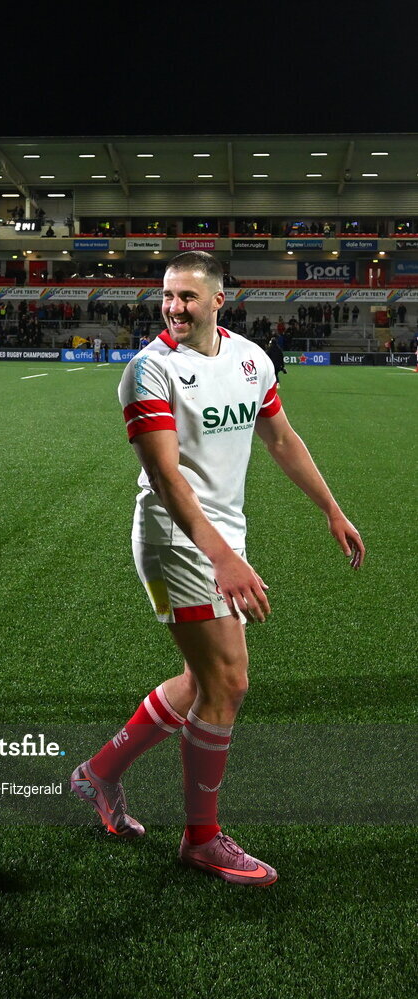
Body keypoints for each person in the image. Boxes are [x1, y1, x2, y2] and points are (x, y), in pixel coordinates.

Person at [70, 251, 364, 887]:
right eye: (168, 297)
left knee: (202, 678)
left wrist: (331, 510)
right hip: (175, 540)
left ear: (217, 302)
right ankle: (201, 838)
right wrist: (223, 557)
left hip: (221, 537)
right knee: (228, 684)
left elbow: (281, 438)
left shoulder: (251, 360)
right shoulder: (150, 371)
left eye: (187, 298)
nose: (174, 308)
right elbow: (166, 477)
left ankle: (97, 775)